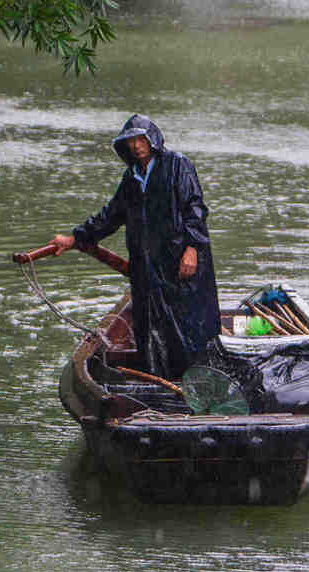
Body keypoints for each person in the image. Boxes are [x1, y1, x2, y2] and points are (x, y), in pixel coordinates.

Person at [50, 114, 221, 379]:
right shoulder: (132, 178)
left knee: (189, 323)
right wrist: (75, 239)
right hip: (147, 267)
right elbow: (110, 216)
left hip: (180, 262)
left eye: (141, 139)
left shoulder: (178, 166)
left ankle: (199, 379)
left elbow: (195, 209)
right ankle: (159, 379)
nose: (137, 146)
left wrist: (192, 249)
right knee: (151, 326)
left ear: (153, 140)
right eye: (131, 141)